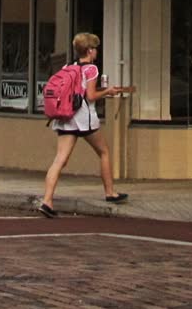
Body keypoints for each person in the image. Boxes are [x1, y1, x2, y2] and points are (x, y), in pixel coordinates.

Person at [38, 31, 134, 217]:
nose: (96, 52)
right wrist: (108, 92)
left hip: (65, 118)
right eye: (95, 49)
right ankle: (110, 193)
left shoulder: (69, 66)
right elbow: (90, 96)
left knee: (60, 160)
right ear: (90, 50)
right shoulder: (92, 69)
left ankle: (47, 200)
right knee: (104, 152)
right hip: (84, 120)